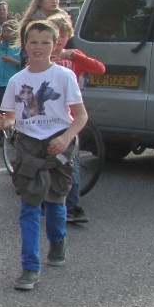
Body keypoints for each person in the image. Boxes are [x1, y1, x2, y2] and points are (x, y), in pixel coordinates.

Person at [0, 20, 88, 291]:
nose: (39, 47)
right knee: (30, 206)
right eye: (33, 42)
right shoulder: (16, 80)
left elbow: (81, 116)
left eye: (45, 42)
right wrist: (2, 122)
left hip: (59, 144)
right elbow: (11, 117)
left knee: (56, 203)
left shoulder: (64, 76)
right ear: (25, 44)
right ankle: (30, 267)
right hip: (28, 146)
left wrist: (66, 138)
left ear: (54, 45)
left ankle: (57, 242)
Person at [46, 14, 105, 224]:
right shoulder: (42, 54)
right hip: (46, 115)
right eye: (56, 36)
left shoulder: (73, 56)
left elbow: (99, 68)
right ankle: (47, 198)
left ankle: (73, 206)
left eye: (64, 36)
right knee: (46, 158)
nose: (59, 41)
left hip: (69, 117)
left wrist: (76, 57)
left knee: (71, 162)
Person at [0, 20, 22, 146]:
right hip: (1, 83)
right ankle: (0, 135)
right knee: (1, 109)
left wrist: (12, 60)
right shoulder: (2, 46)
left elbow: (24, 65)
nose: (6, 33)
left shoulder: (20, 47)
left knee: (14, 110)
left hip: (13, 82)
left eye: (9, 31)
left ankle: (16, 134)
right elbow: (0, 65)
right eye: (4, 31)